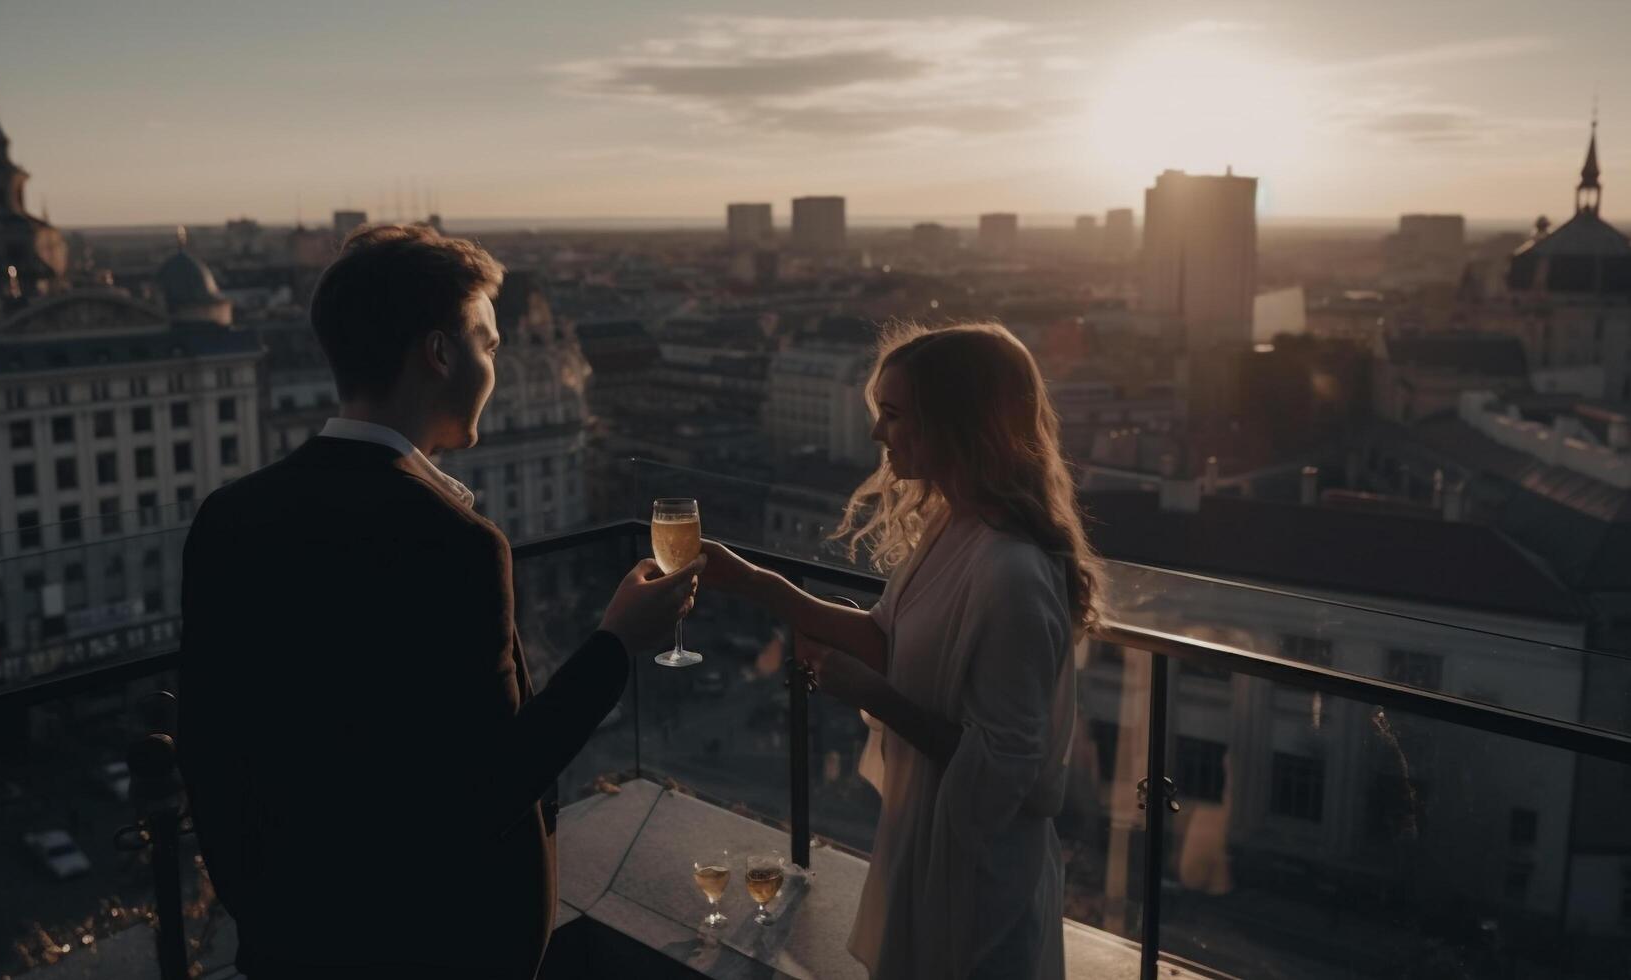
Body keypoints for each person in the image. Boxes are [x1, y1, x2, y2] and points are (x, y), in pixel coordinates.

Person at [177, 224, 701, 979]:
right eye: (488, 344)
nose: (493, 365)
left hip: (289, 945)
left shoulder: (230, 516)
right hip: (438, 949)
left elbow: (210, 751)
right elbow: (490, 782)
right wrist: (616, 643)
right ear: (439, 353)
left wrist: (271, 917)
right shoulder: (448, 540)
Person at [701, 322, 1100, 979]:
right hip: (931, 844)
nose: (876, 433)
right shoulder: (956, 524)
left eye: (891, 414)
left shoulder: (1011, 573)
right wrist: (753, 581)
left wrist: (871, 694)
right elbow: (886, 634)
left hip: (978, 881)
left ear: (953, 423)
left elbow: (1008, 769)